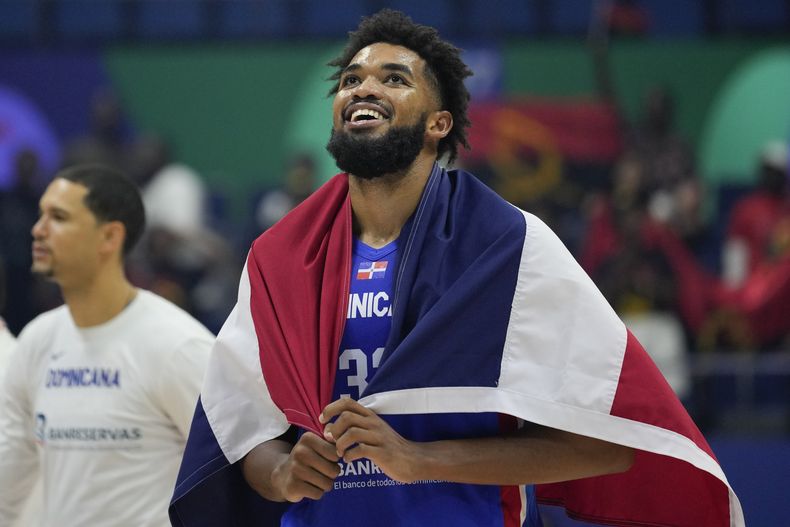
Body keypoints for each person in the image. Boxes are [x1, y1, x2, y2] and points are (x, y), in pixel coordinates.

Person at [171, 10, 742, 527]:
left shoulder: (509, 247)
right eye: (351, 79)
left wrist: (420, 460)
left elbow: (606, 445)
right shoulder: (280, 256)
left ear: (439, 124)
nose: (363, 86)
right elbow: (240, 429)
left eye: (394, 78)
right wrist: (282, 474)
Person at [0, 164, 214, 526]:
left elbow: (233, 476)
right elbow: (10, 476)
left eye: (59, 217)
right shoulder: (37, 341)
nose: (38, 230)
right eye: (41, 216)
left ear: (110, 237)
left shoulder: (178, 346)